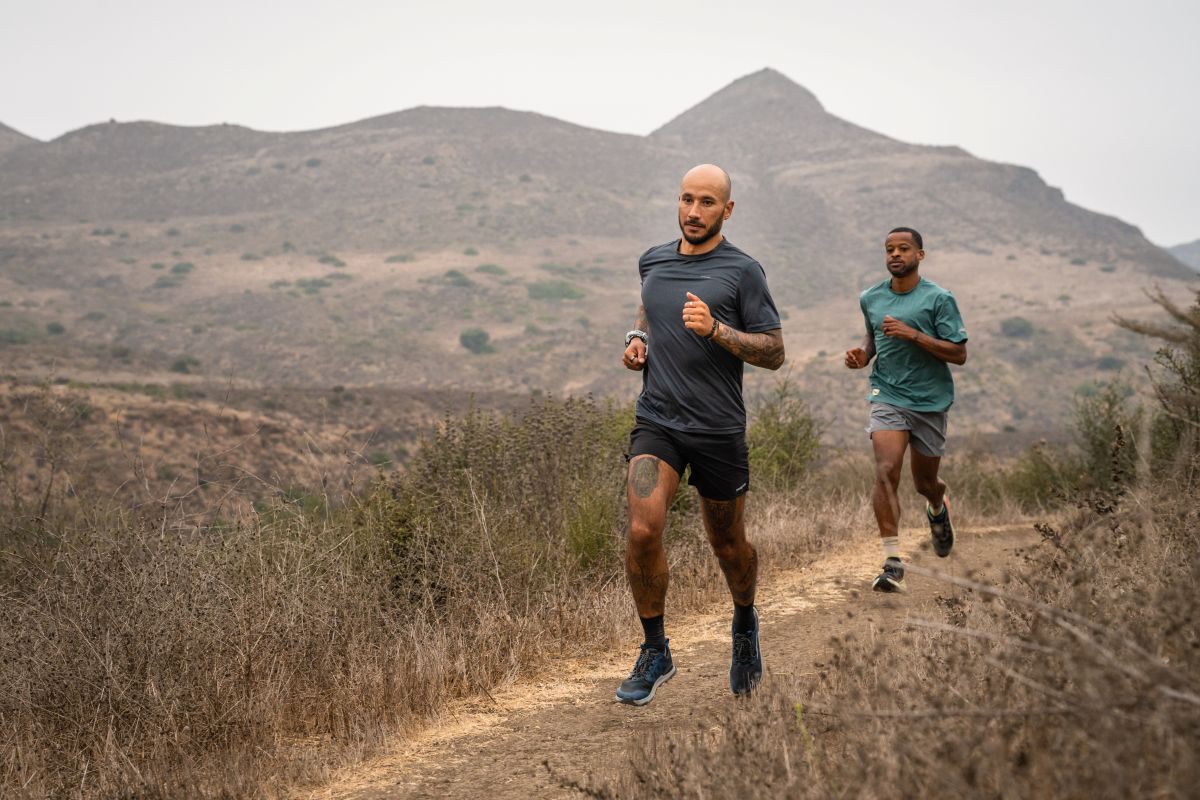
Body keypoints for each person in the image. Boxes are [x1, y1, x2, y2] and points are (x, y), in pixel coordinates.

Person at [615, 164, 785, 706]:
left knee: (729, 547)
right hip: (658, 422)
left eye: (707, 202)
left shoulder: (743, 272)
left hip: (717, 429)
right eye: (687, 200)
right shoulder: (654, 258)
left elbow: (775, 352)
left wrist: (717, 330)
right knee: (643, 531)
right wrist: (639, 336)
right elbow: (650, 299)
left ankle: (743, 625)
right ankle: (656, 650)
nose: (694, 211)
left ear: (727, 210)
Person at [844, 227, 968, 592]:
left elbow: (958, 353)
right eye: (889, 250)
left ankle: (937, 506)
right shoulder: (871, 298)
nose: (895, 255)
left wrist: (912, 333)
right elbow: (874, 338)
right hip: (888, 394)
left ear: (920, 255)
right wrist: (862, 356)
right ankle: (892, 562)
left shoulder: (939, 299)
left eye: (903, 249)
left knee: (925, 483)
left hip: (930, 400)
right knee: (885, 470)